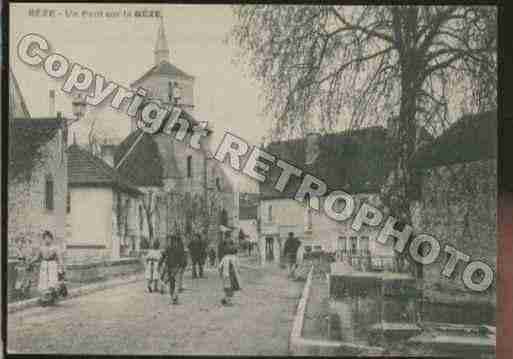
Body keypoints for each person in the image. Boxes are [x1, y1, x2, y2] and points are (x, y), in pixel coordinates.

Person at [30, 230, 65, 306]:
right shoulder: (41, 248)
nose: (47, 239)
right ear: (43, 239)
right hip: (44, 265)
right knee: (44, 282)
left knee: (52, 282)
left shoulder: (55, 248)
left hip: (52, 265)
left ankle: (53, 299)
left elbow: (60, 258)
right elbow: (37, 257)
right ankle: (45, 299)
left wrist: (61, 268)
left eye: (48, 238)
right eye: (45, 238)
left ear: (51, 239)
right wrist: (30, 262)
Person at [159, 234, 186, 304]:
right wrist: (182, 266)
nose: (171, 242)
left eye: (171, 240)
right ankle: (174, 297)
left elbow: (163, 257)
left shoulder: (175, 249)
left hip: (174, 267)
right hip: (172, 267)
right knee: (174, 283)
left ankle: (174, 297)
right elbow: (163, 256)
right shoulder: (174, 248)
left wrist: (160, 263)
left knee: (174, 283)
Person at [218, 236, 242, 306]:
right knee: (231, 289)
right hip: (233, 276)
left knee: (227, 289)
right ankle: (228, 301)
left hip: (226, 275)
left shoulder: (224, 257)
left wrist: (220, 274)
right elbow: (238, 267)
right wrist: (239, 272)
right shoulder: (235, 258)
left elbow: (220, 267)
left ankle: (225, 299)